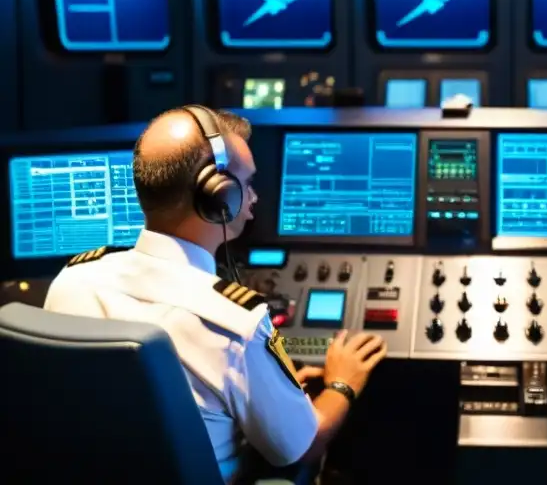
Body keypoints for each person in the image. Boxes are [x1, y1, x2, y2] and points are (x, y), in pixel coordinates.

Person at [44, 106, 388, 482]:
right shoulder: (235, 324)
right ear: (218, 197)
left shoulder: (72, 279)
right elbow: (303, 447)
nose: (253, 197)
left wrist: (272, 388)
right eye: (247, 184)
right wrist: (343, 382)